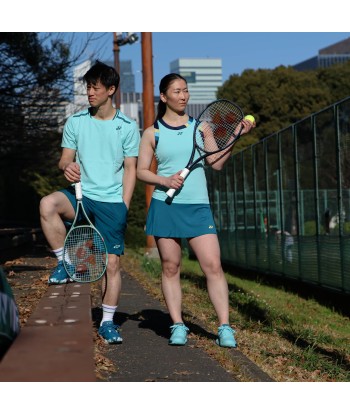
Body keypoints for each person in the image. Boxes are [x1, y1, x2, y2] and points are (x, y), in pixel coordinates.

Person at [137, 73, 255, 347]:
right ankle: (178, 325)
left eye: (185, 91)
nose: (183, 96)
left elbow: (215, 163)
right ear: (164, 97)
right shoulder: (151, 133)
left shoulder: (202, 127)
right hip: (165, 206)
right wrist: (164, 180)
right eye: (177, 91)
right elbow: (142, 171)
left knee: (213, 265)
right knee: (170, 266)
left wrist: (236, 133)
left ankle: (225, 328)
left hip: (198, 207)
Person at [39, 61, 140, 344]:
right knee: (48, 204)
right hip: (81, 196)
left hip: (111, 203)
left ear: (111, 90)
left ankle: (108, 323)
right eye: (88, 87)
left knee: (112, 265)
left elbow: (131, 169)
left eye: (95, 88)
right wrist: (66, 167)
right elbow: (64, 158)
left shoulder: (128, 127)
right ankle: (66, 262)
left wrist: (124, 206)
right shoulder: (76, 122)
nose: (89, 92)